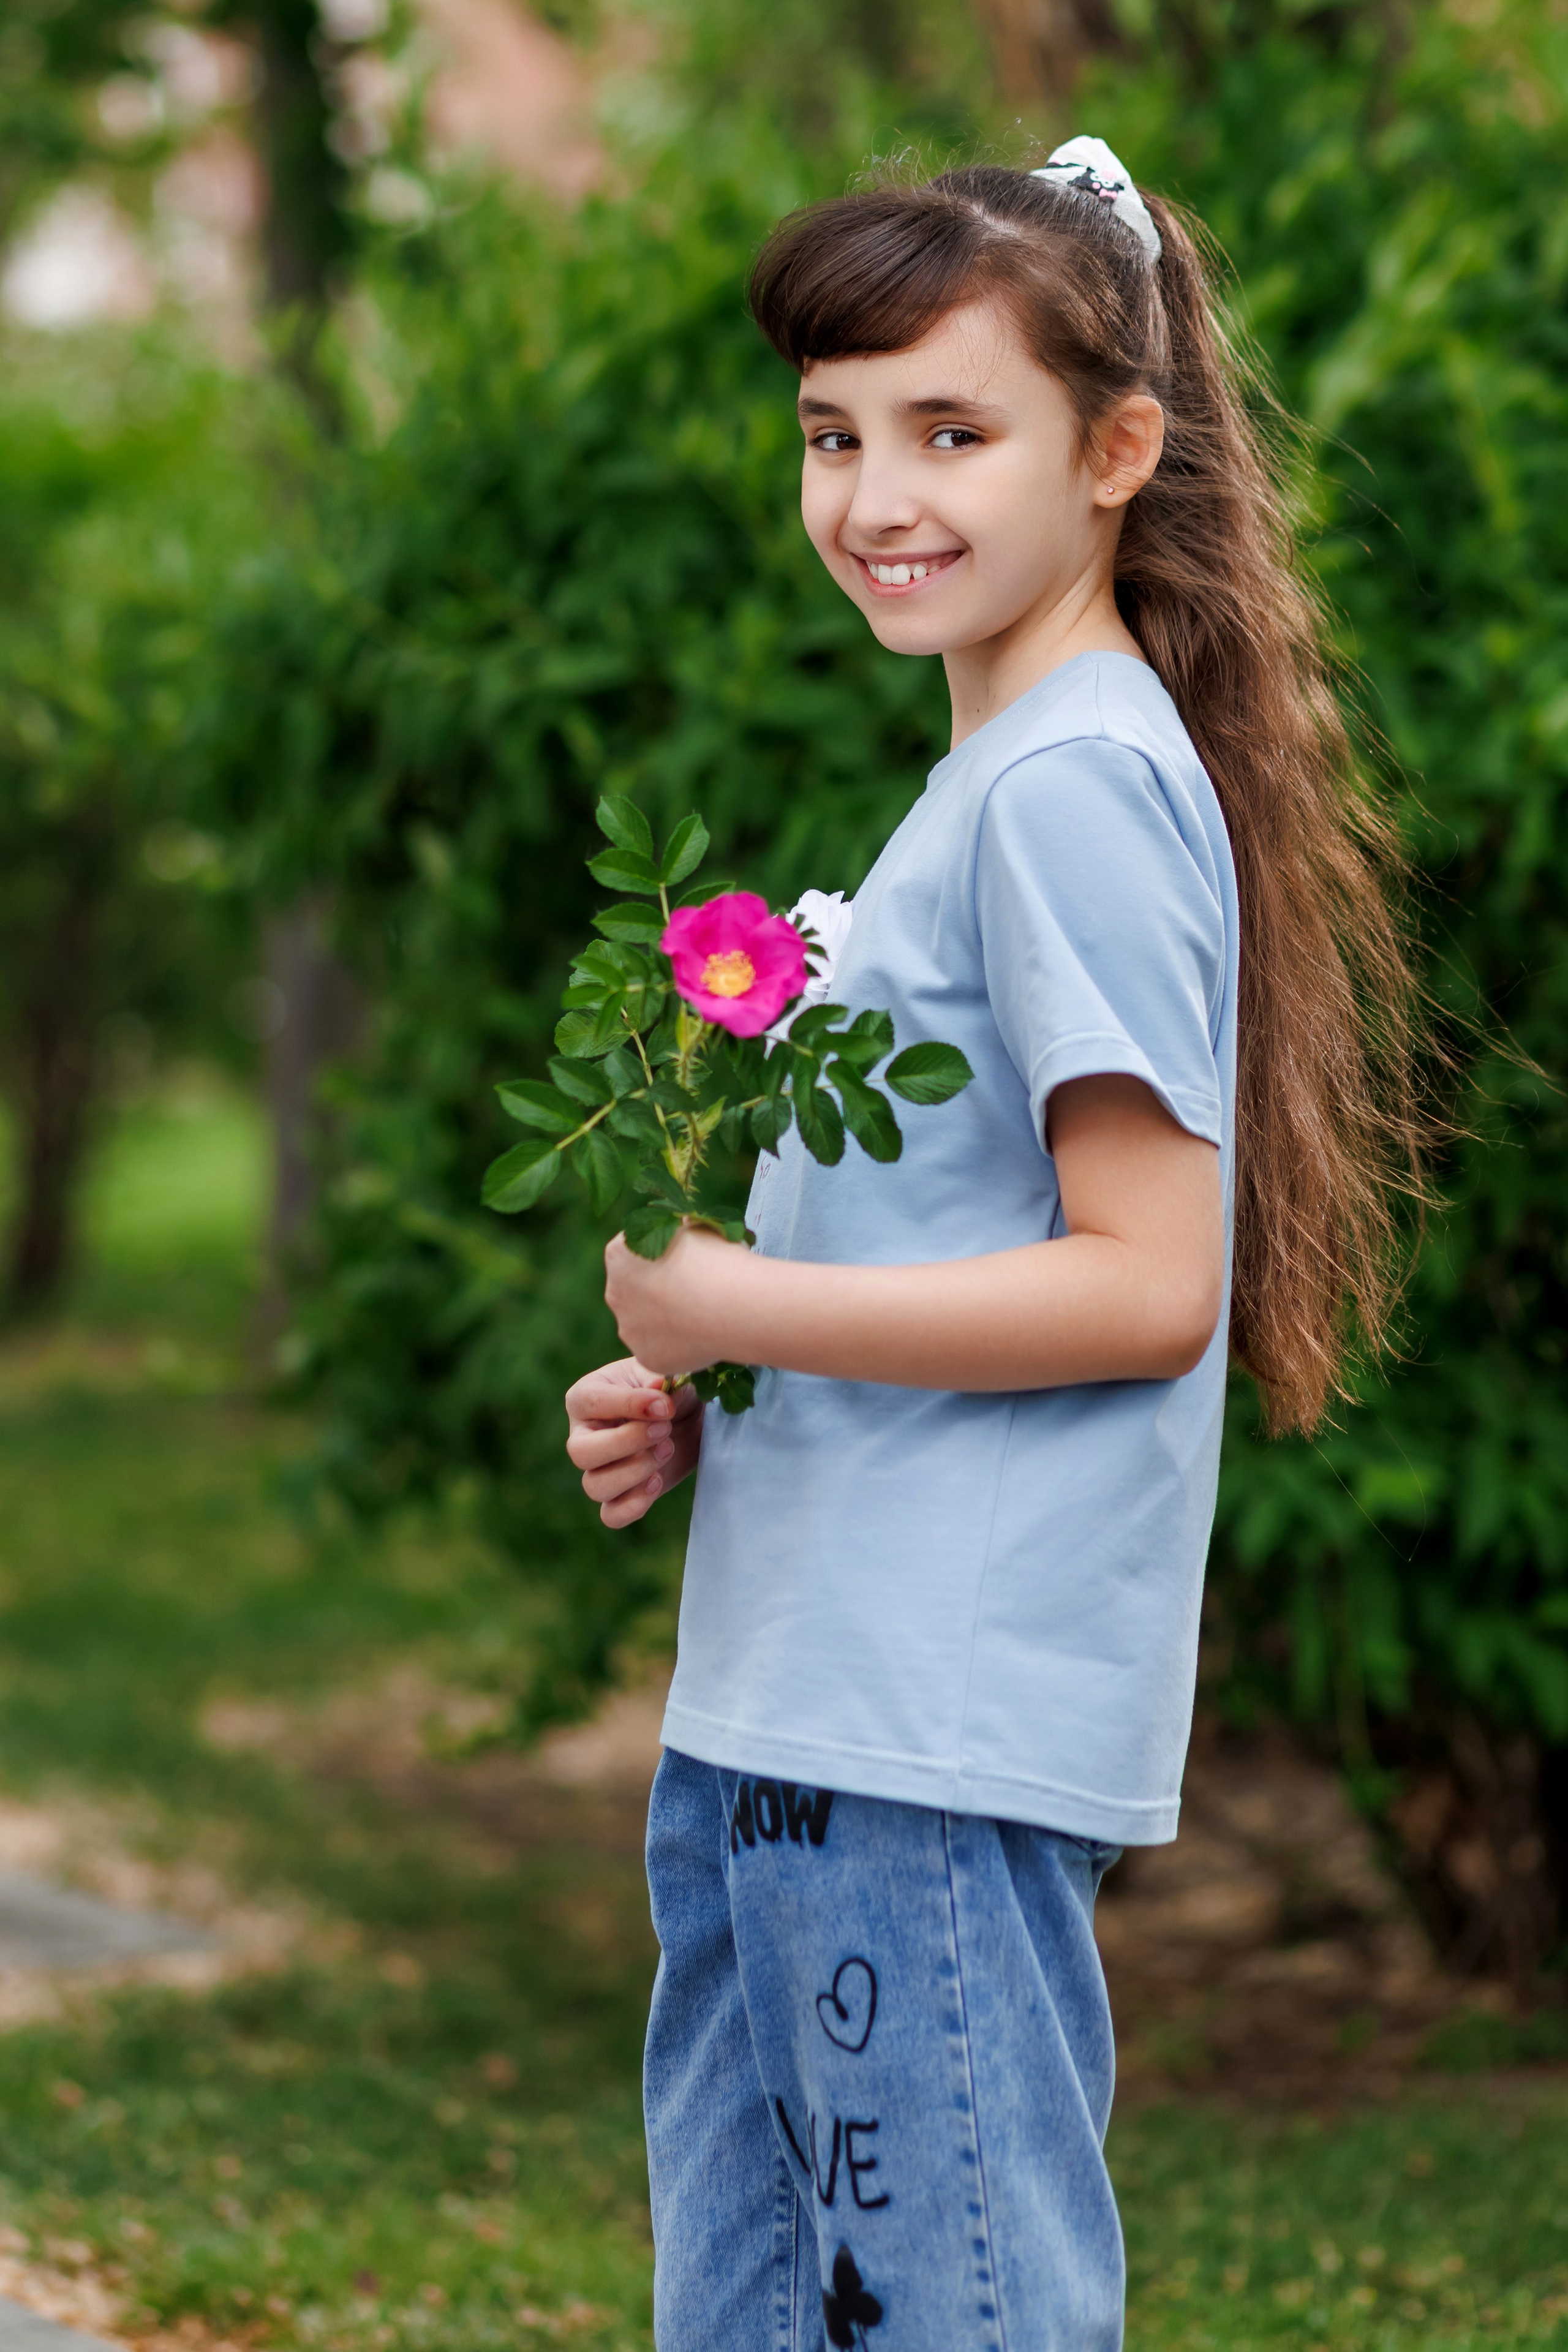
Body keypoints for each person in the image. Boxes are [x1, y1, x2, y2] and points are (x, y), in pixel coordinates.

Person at [563, 138, 1423, 2351]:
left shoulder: (1069, 791)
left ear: (1117, 453)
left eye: (953, 432)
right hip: (802, 1709)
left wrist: (742, 1295)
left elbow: (1150, 1279)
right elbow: (963, 1236)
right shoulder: (997, 779)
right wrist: (717, 1384)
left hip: (918, 1741)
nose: (876, 496)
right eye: (833, 434)